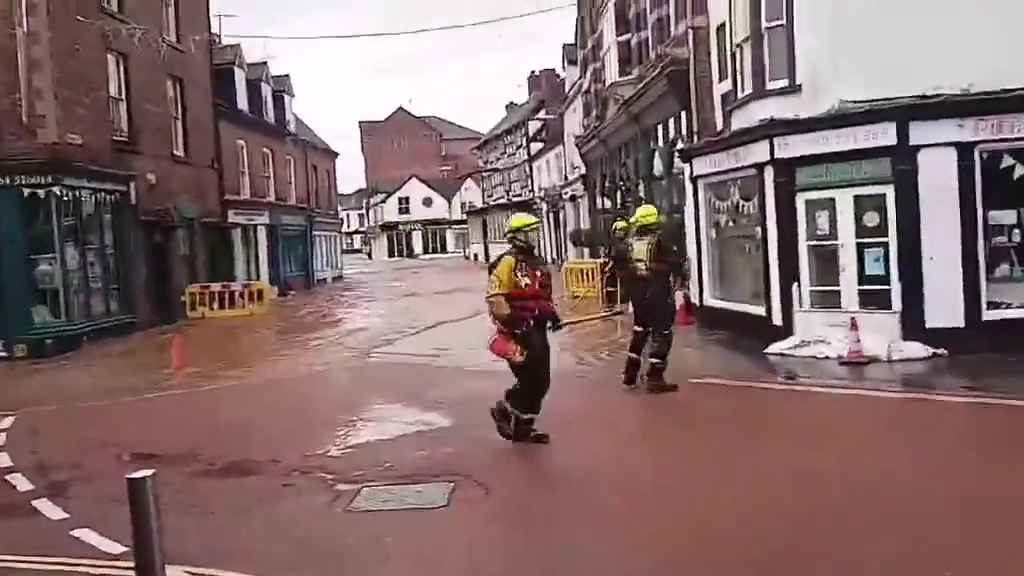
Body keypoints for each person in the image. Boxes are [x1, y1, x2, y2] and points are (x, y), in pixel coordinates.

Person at [486, 213, 562, 444]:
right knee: (530, 378)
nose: (534, 235)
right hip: (518, 329)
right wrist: (511, 321)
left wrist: (552, 314)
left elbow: (542, 294)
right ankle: (506, 407)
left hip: (536, 328)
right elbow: (496, 296)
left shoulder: (537, 263)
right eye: (530, 231)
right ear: (517, 236)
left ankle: (523, 428)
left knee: (542, 380)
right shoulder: (507, 262)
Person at [622, 204, 683, 393]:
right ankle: (655, 377)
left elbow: (624, 268)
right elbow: (675, 264)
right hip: (658, 294)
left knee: (640, 331)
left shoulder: (630, 243)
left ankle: (630, 374)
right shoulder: (661, 242)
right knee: (662, 334)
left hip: (638, 296)